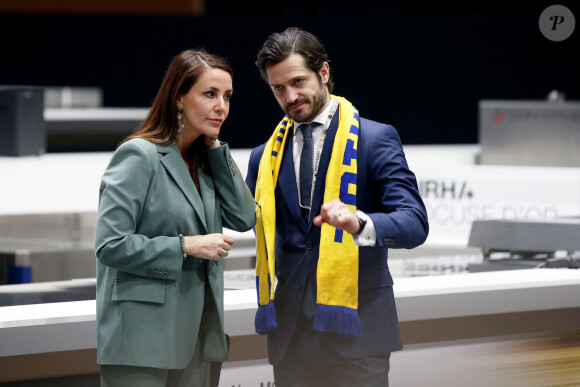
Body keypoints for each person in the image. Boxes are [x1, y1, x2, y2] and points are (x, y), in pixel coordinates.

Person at [245, 27, 429, 386]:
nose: (289, 95)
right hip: (291, 338)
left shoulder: (375, 139)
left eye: (298, 81)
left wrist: (359, 223)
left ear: (324, 73)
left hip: (359, 333)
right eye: (278, 88)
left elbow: (414, 223)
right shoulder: (263, 157)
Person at [95, 49, 256, 387]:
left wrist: (216, 150)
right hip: (142, 340)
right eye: (209, 94)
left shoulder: (205, 161)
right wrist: (186, 245)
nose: (221, 106)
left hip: (198, 337)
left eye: (227, 96)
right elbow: (110, 246)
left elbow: (243, 219)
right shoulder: (139, 155)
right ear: (179, 98)